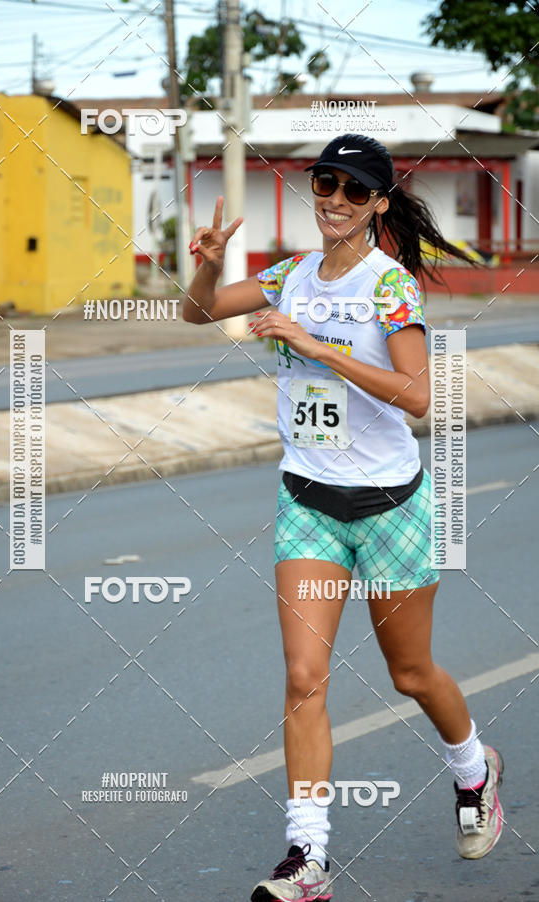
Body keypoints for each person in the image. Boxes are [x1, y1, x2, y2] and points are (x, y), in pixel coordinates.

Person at [182, 134, 504, 902]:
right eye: (326, 182)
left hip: (389, 505)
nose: (335, 199)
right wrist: (208, 264)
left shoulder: (390, 287)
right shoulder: (290, 275)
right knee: (303, 678)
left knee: (410, 673)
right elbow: (198, 313)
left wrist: (315, 346)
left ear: (379, 204)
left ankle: (474, 770)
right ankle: (308, 860)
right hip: (309, 502)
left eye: (355, 189)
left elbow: (418, 396)